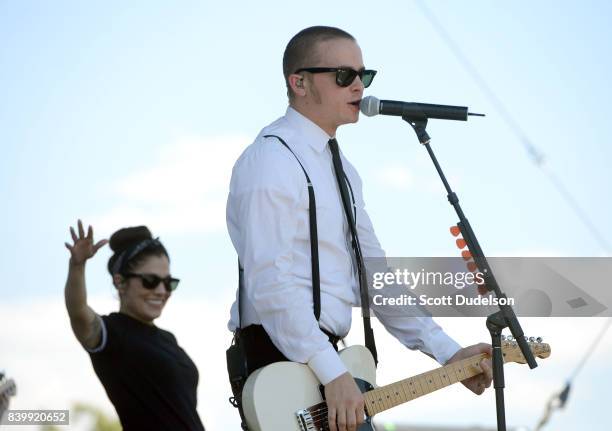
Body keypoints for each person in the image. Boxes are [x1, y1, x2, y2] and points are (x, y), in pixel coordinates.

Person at [226, 26, 493, 431]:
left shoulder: (344, 172)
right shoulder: (271, 159)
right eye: (343, 75)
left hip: (327, 364)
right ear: (298, 82)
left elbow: (377, 279)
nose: (358, 86)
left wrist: (449, 353)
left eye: (363, 76)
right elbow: (270, 282)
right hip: (283, 364)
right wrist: (333, 373)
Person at [64, 220, 205, 431]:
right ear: (119, 282)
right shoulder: (113, 335)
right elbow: (78, 312)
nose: (161, 291)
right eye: (150, 280)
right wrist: (77, 265)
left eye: (169, 283)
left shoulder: (168, 339)